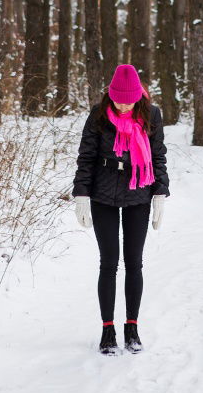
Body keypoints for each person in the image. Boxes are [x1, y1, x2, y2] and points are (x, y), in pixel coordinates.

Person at [72, 63, 170, 355]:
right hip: (103, 193)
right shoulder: (98, 114)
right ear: (110, 94)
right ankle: (107, 329)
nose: (123, 104)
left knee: (134, 263)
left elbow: (158, 156)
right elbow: (86, 156)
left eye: (129, 99)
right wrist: (81, 194)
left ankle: (132, 327)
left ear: (138, 95)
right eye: (118, 99)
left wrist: (160, 193)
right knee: (109, 263)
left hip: (138, 193)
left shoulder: (150, 114)